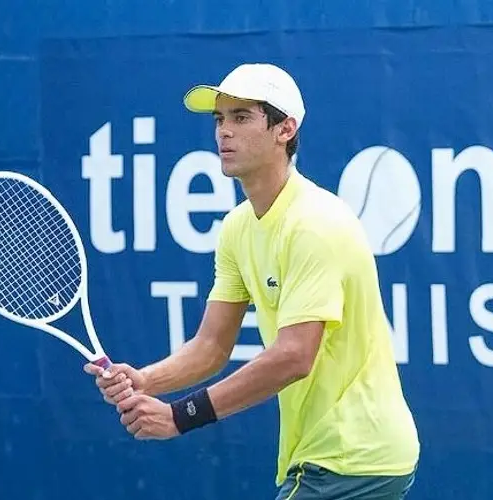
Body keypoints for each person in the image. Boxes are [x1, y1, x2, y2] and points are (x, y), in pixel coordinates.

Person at [84, 63, 420, 499]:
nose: (224, 132)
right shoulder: (238, 228)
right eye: (219, 119)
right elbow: (211, 346)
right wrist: (146, 380)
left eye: (241, 118)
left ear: (285, 129)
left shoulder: (315, 224)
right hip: (337, 456)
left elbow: (294, 356)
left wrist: (179, 416)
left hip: (351, 459)